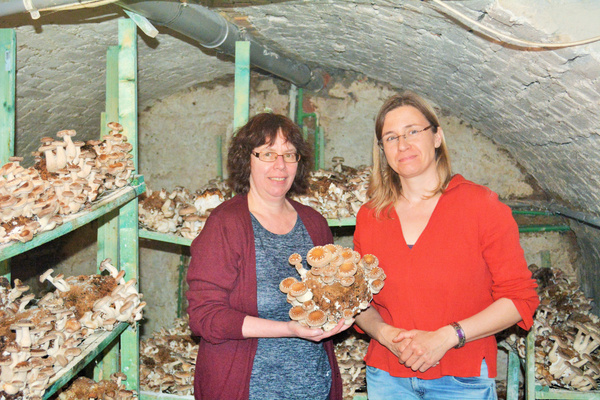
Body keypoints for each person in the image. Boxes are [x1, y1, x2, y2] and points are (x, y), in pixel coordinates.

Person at [353, 91, 540, 400]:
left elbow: (519, 299)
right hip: (387, 377)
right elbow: (358, 301)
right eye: (391, 137)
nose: (403, 144)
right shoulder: (371, 216)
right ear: (382, 150)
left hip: (461, 378)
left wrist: (447, 337)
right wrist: (384, 334)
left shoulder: (481, 206)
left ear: (437, 136)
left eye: (413, 131)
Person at [186, 113, 348, 400]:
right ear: (246, 159)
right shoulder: (226, 224)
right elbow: (204, 317)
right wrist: (288, 329)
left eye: (289, 154)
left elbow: (330, 295)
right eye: (268, 153)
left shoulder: (315, 224)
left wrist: (342, 313)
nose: (280, 165)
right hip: (248, 390)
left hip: (314, 388)